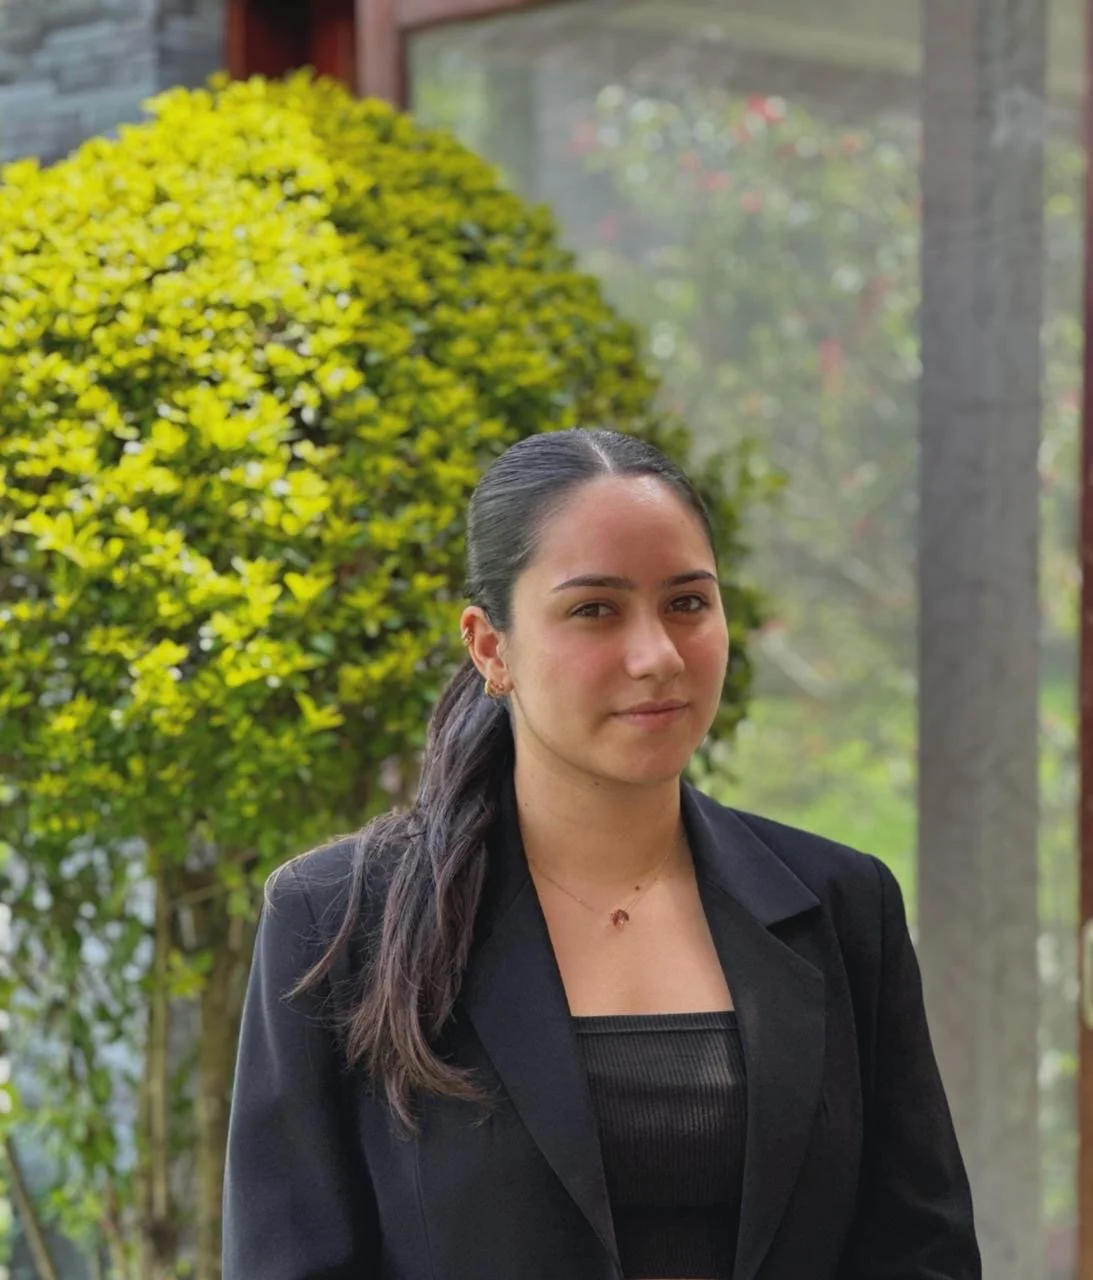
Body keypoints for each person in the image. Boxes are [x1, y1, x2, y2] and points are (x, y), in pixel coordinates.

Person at [221, 428, 980, 1280]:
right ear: (488, 646)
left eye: (687, 603)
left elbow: (922, 1253)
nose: (657, 655)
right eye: (594, 610)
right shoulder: (341, 919)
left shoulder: (840, 905)